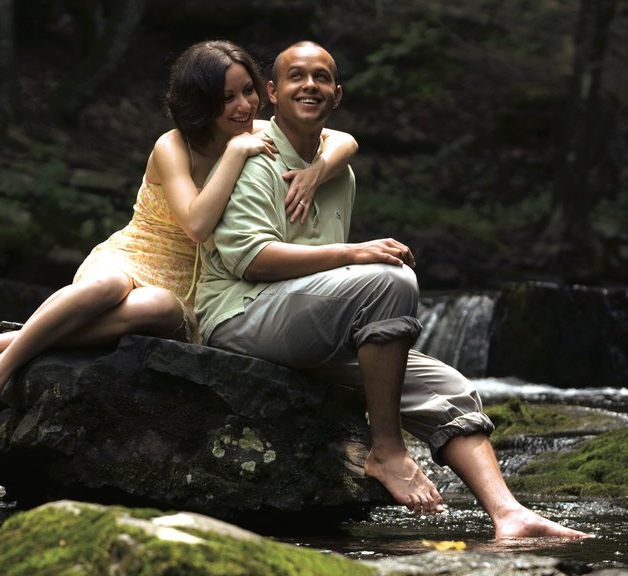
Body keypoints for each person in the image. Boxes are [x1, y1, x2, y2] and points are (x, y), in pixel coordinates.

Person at [195, 40, 588, 539]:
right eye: (296, 76)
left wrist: (324, 183)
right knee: (390, 279)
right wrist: (353, 253)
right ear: (272, 92)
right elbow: (250, 259)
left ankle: (510, 514)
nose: (309, 85)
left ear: (337, 94)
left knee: (451, 388)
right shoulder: (252, 153)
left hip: (303, 322)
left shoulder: (339, 171)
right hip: (240, 316)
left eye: (321, 78)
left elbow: (340, 153)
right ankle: (388, 449)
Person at [0, 40, 359, 438]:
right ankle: (2, 368)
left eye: (248, 91)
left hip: (191, 283)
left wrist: (315, 171)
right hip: (138, 253)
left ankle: (16, 338)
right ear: (200, 102)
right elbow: (197, 225)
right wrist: (235, 153)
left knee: (155, 305)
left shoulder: (257, 130)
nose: (243, 106)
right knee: (108, 286)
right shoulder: (175, 145)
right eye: (226, 98)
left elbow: (344, 141)